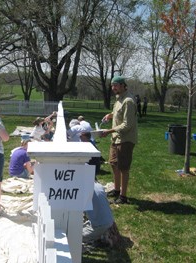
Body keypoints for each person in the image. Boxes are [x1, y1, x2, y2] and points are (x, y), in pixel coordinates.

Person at [101, 76, 138, 204]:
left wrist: (108, 131)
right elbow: (118, 115)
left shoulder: (128, 101)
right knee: (113, 164)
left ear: (123, 85)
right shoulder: (118, 100)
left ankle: (123, 196)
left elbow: (127, 125)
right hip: (116, 138)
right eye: (112, 85)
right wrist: (109, 115)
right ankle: (116, 190)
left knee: (123, 168)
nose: (113, 88)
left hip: (125, 139)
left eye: (116, 85)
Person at [83, 182, 121, 247]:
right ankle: (106, 233)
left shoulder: (81, 191)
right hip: (109, 221)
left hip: (100, 225)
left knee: (74, 237)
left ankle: (103, 236)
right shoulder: (98, 185)